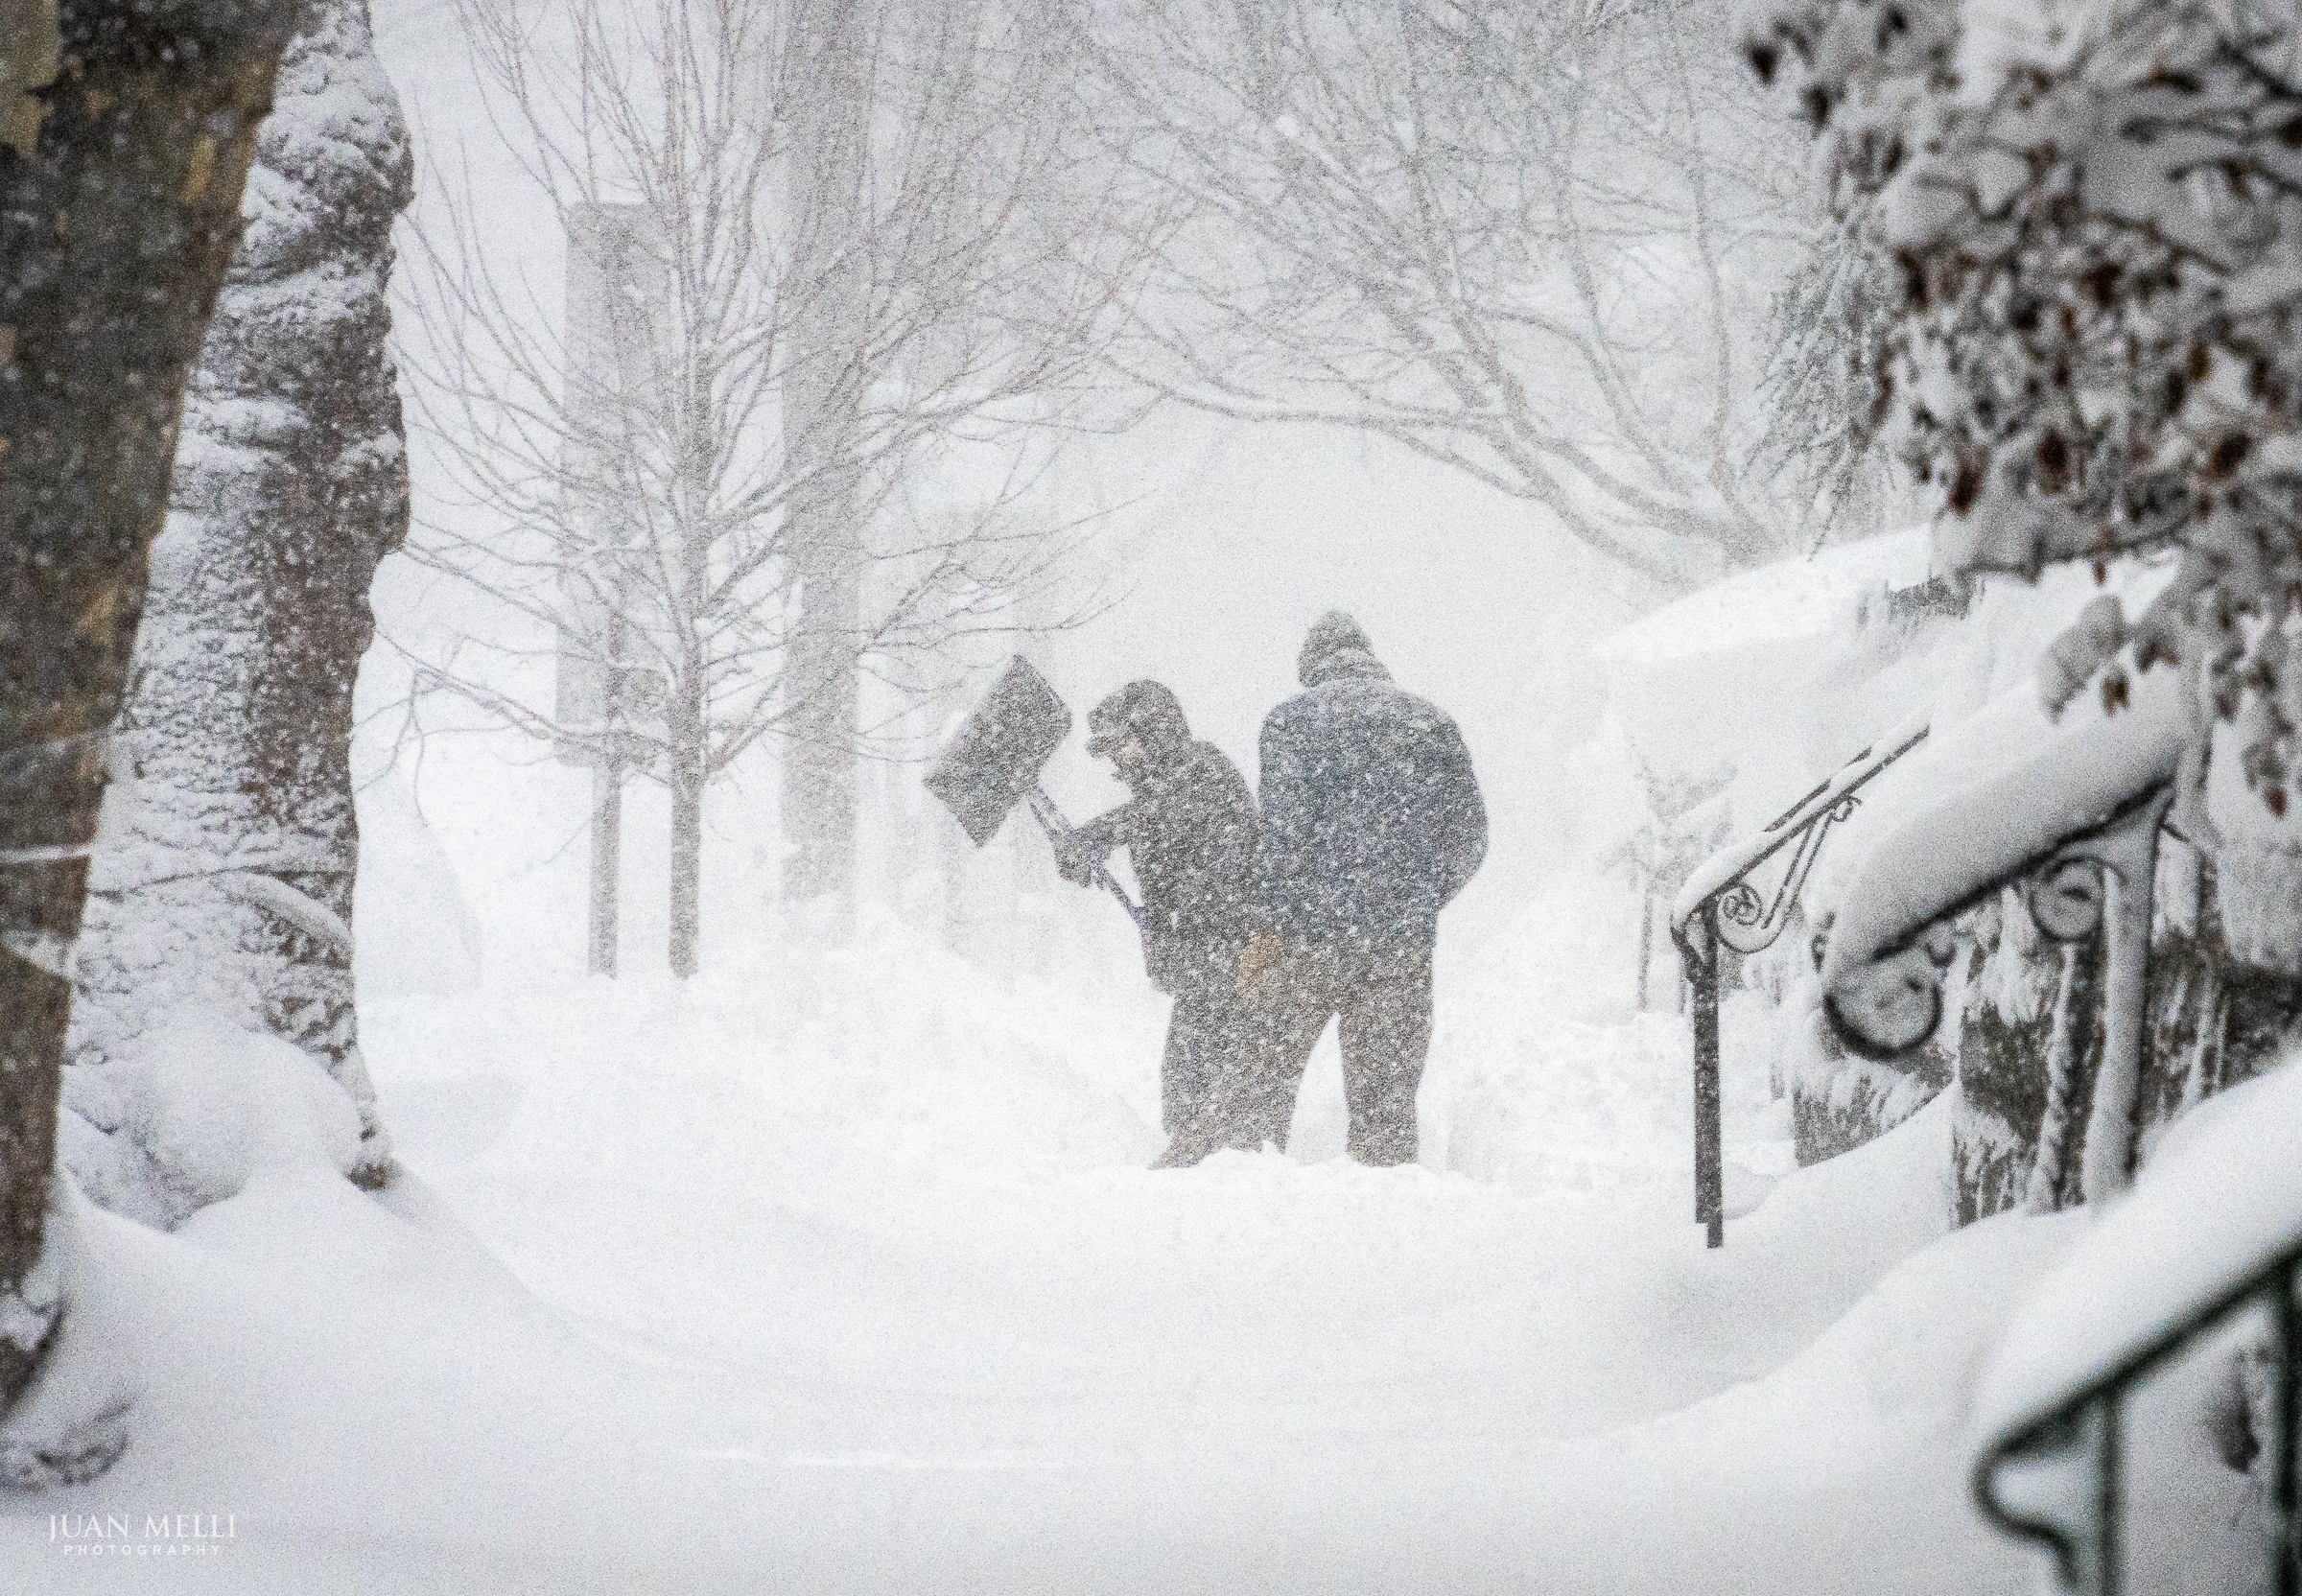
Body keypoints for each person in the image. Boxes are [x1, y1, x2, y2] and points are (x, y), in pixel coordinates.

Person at [1229, 611, 1487, 1165]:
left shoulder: (1290, 722)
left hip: (1305, 941)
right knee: (1385, 1103)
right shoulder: (1429, 723)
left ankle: (1244, 1186)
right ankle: (1384, 1199)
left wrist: (1272, 922)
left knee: (1262, 1085)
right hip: (1399, 946)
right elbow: (1468, 838)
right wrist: (1415, 900)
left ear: (1311, 667)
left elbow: (1283, 836)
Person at [1053, 680, 1260, 1165]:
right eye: (1108, 749)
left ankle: (1229, 1169)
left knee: (1217, 1093)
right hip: (1204, 961)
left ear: (1155, 732)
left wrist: (1100, 834)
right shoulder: (1156, 790)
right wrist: (1161, 936)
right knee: (1186, 1094)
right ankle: (1204, 1165)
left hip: (1235, 956)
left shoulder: (1202, 769)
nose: (1115, 758)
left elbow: (1165, 814)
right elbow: (1161, 850)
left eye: (1121, 743)